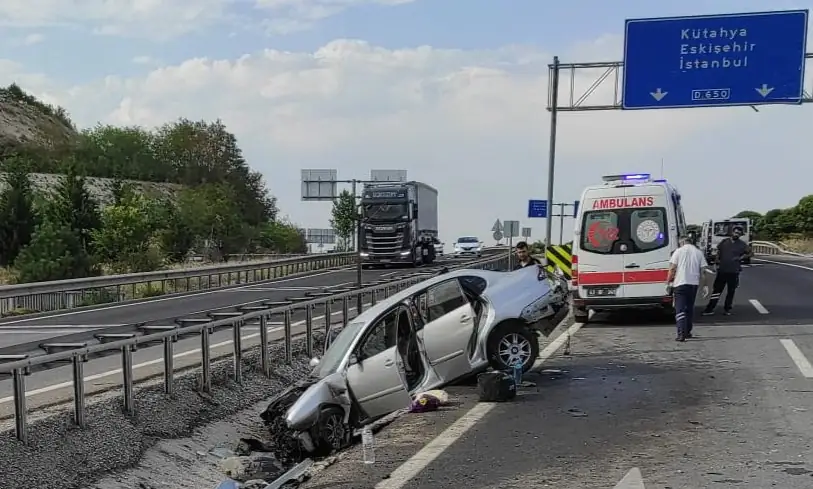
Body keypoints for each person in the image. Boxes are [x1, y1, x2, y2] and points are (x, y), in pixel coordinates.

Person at [702, 226, 752, 316]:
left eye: (739, 233)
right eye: (735, 232)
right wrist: (716, 263)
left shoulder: (742, 244)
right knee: (717, 290)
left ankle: (727, 309)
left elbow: (750, 253)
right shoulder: (724, 242)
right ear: (732, 232)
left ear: (741, 235)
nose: (736, 234)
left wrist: (741, 257)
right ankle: (710, 309)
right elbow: (718, 252)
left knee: (731, 291)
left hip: (734, 271)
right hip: (722, 270)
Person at [666, 234, 708, 342]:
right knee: (689, 308)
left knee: (680, 309)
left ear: (682, 242)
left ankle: (681, 334)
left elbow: (672, 269)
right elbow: (703, 271)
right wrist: (705, 286)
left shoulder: (678, 251)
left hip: (680, 284)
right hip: (693, 284)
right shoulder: (698, 253)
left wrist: (668, 282)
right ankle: (688, 331)